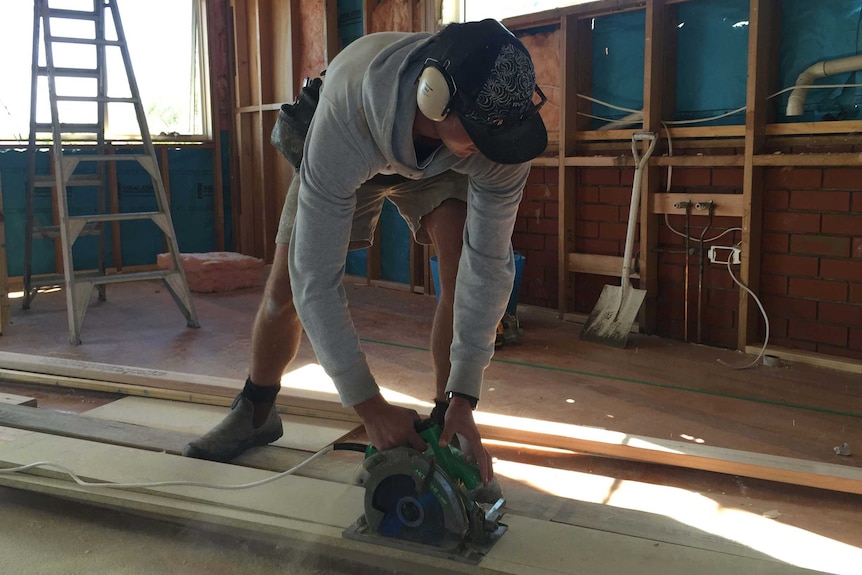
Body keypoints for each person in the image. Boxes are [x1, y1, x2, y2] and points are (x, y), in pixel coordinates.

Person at [183, 18, 547, 486]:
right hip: (358, 139)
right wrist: (369, 407)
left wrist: (466, 396)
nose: (496, 149)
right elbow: (314, 276)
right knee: (286, 289)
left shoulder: (497, 143)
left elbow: (489, 268)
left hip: (441, 160)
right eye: (482, 133)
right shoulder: (347, 113)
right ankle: (255, 409)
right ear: (435, 98)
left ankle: (447, 420)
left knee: (460, 275)